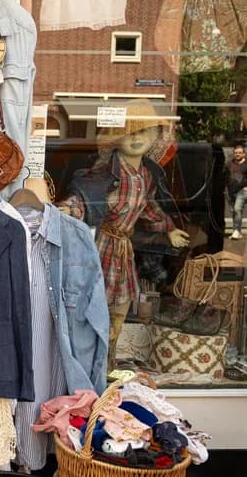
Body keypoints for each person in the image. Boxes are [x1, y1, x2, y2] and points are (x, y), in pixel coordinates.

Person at [58, 100, 189, 371]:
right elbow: (86, 197)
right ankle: (92, 363)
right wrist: (69, 209)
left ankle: (109, 359)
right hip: (103, 245)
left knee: (121, 306)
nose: (136, 138)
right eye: (129, 132)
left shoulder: (147, 176)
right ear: (116, 138)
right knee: (95, 305)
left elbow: (149, 208)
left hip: (123, 249)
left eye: (144, 132)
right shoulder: (104, 174)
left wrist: (169, 228)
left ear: (154, 136)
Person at [226, 145, 247, 239]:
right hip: (231, 191)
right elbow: (225, 175)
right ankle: (237, 231)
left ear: (244, 153)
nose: (237, 154)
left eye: (239, 153)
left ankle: (236, 231)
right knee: (235, 211)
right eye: (236, 153)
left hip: (242, 191)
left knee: (237, 209)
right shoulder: (229, 163)